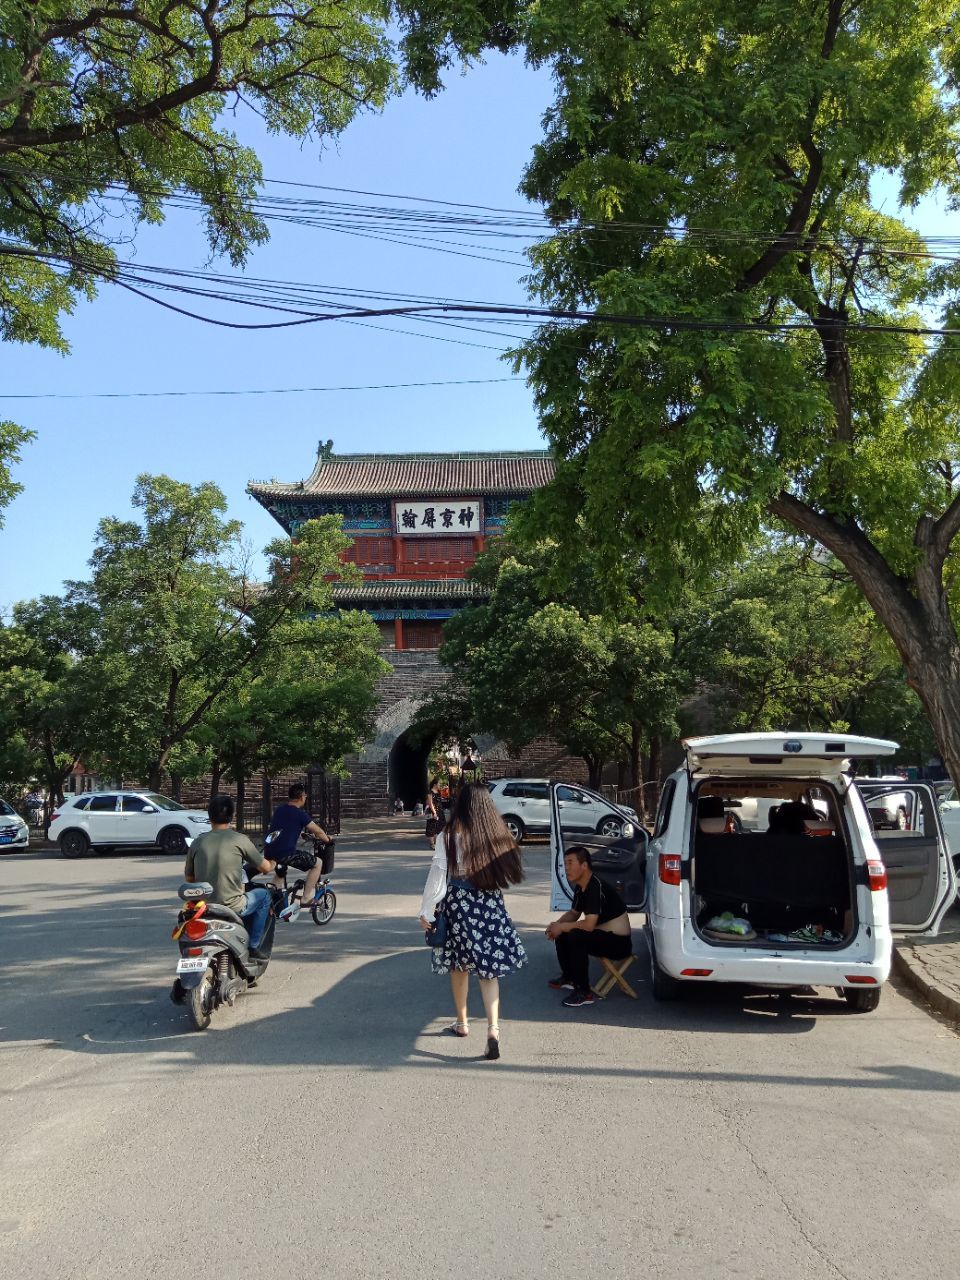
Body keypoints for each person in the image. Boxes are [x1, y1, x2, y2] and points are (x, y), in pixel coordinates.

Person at [418, 782, 527, 1060]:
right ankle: (493, 1030)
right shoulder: (496, 834)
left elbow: (438, 875)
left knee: (459, 965)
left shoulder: (449, 836)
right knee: (488, 971)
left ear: (461, 805)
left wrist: (426, 911)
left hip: (458, 903)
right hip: (489, 903)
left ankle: (462, 1022)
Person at [184, 794, 277, 956]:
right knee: (264, 896)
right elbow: (265, 868)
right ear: (231, 816)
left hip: (203, 906)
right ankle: (253, 946)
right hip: (233, 905)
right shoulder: (240, 839)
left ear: (209, 816)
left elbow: (189, 878)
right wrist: (274, 861)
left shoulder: (198, 842)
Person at [545, 847, 632, 1008]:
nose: (566, 868)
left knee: (576, 935)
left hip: (619, 944)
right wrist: (555, 926)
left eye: (570, 863)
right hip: (603, 936)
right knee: (564, 932)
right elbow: (574, 913)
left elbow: (589, 925)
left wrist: (562, 927)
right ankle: (569, 978)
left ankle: (584, 992)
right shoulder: (581, 886)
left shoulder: (594, 886)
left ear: (584, 865)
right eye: (565, 864)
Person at [266, 784, 332, 922]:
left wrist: (299, 832)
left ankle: (271, 902)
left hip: (270, 850)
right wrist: (328, 840)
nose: (305, 798)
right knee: (318, 863)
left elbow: (284, 826)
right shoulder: (300, 813)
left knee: (280, 873)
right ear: (301, 797)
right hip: (286, 853)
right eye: (305, 796)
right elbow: (318, 831)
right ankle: (306, 897)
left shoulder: (280, 809)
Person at [424, 777, 444, 850]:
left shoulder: (438, 792)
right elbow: (430, 803)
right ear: (435, 784)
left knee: (438, 827)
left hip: (440, 811)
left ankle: (436, 843)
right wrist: (434, 813)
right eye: (439, 784)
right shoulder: (430, 793)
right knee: (431, 827)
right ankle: (432, 844)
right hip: (433, 811)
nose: (440, 785)